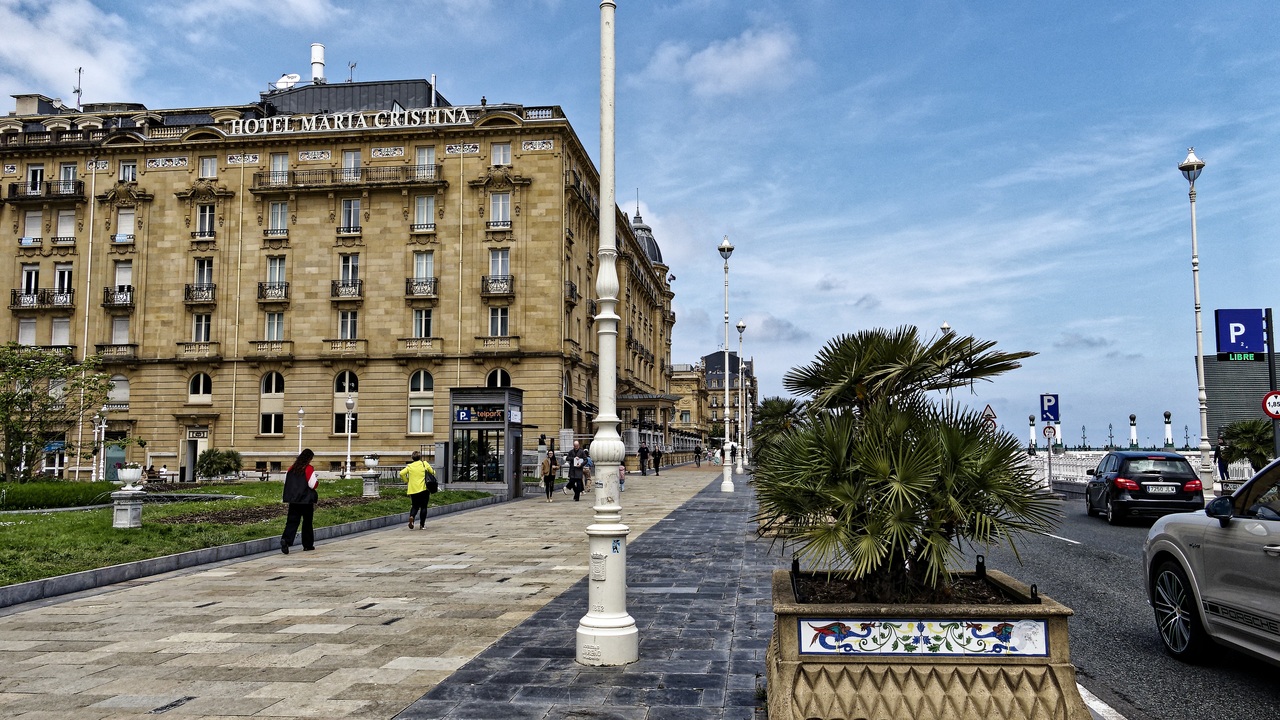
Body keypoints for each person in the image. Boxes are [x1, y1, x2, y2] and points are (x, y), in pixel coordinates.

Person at [280, 449, 317, 554]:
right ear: (309, 459)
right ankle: (307, 545)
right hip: (306, 500)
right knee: (307, 523)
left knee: (292, 522)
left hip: (293, 500)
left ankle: (286, 540)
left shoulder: (291, 469)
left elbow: (286, 482)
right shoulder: (308, 468)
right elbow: (312, 484)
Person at [400, 450, 437, 529]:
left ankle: (412, 517)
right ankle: (422, 525)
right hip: (423, 489)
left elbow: (401, 473)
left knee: (414, 506)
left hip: (413, 490)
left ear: (412, 458)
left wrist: (406, 481)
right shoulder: (424, 464)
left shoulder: (410, 466)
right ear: (420, 457)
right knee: (424, 507)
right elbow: (432, 472)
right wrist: (434, 472)